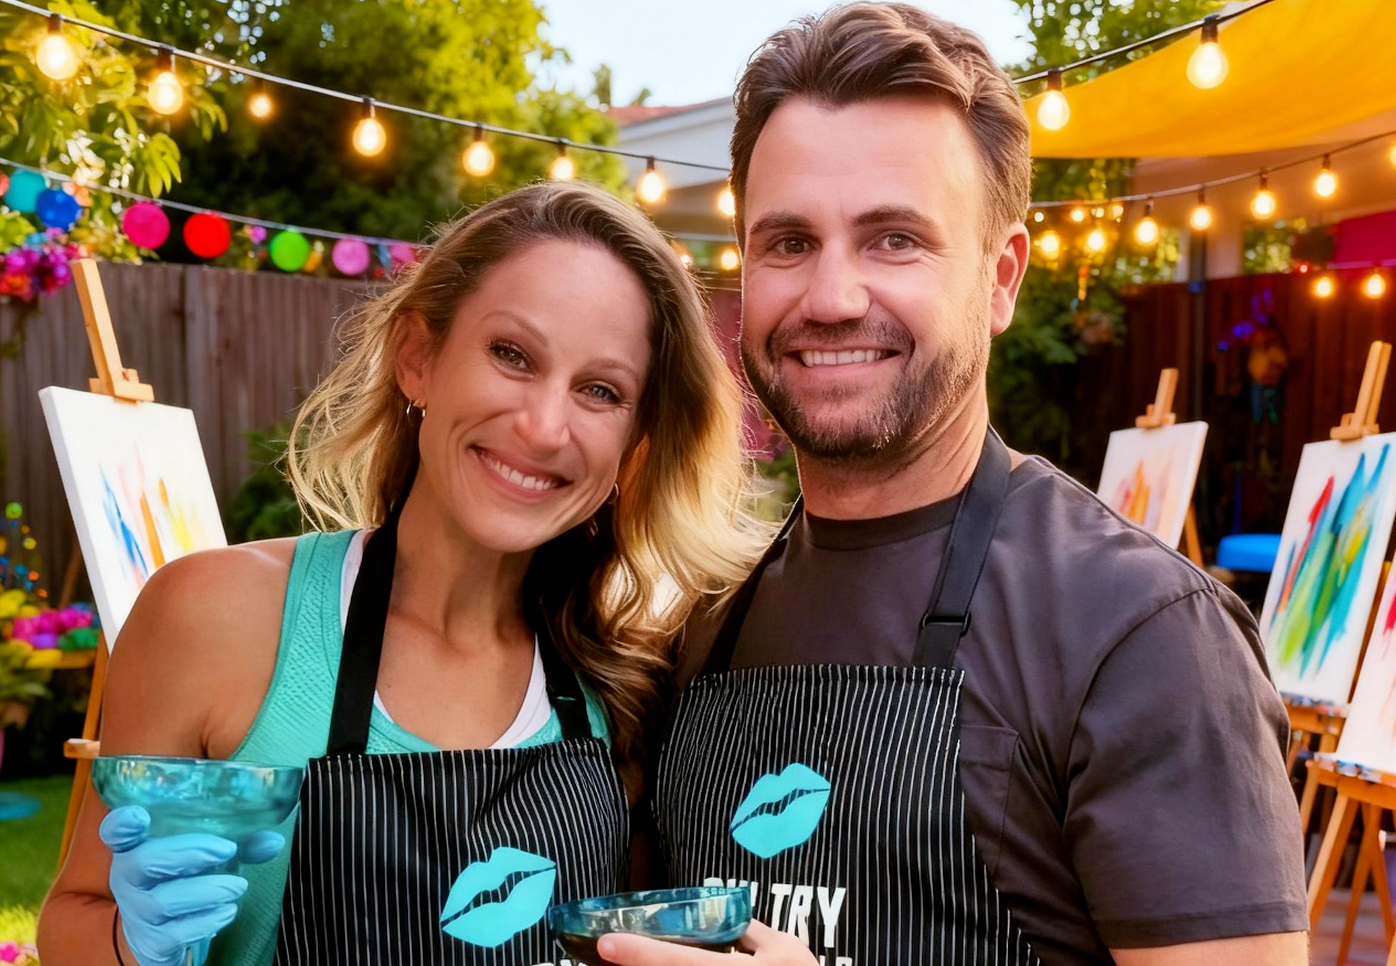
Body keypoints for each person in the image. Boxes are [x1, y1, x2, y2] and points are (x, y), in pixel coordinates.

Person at [601, 5, 1309, 966]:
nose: (832, 297)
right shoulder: (709, 625)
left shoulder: (1142, 633)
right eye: (788, 242)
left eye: (894, 239)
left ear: (1001, 275)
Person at [38, 181, 766, 966]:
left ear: (635, 441)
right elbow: (76, 914)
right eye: (512, 355)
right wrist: (127, 942)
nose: (544, 426)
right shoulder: (214, 616)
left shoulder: (622, 685)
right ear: (418, 358)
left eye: (600, 391)